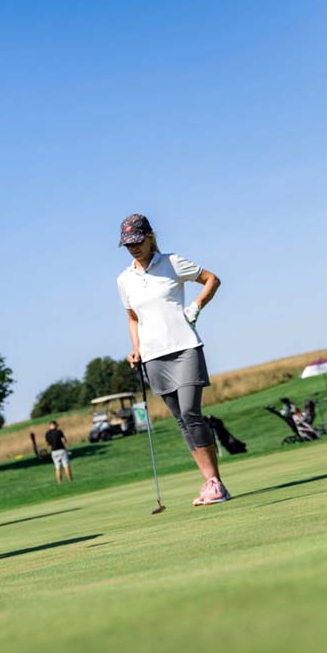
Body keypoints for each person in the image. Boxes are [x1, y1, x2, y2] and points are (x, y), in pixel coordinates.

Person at [116, 213, 228, 506]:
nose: (134, 248)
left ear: (149, 236)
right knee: (181, 420)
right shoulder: (124, 280)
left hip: (185, 347)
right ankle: (210, 481)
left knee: (191, 412)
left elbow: (211, 279)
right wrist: (135, 348)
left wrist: (195, 306)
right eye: (128, 244)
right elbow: (132, 318)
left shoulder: (172, 262)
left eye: (138, 241)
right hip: (153, 357)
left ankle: (216, 482)